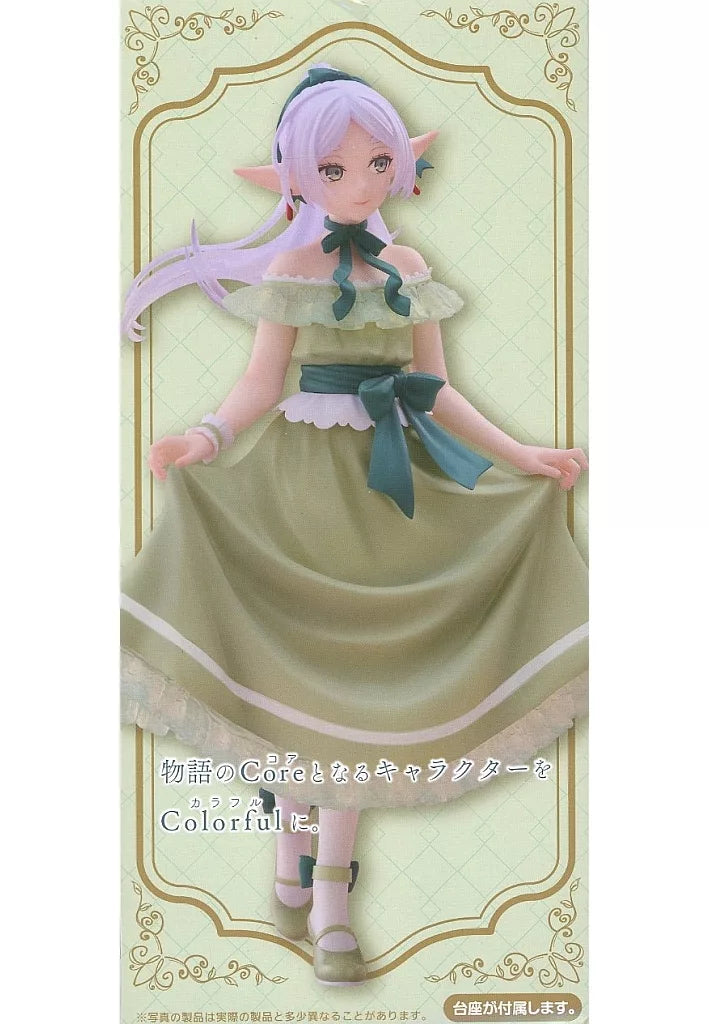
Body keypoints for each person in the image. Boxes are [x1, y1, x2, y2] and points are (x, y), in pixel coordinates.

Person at [121, 66, 588, 986]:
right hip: (297, 488)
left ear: (401, 164)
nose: (361, 182)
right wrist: (203, 438)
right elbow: (259, 385)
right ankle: (292, 847)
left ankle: (329, 885)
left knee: (362, 689)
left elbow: (436, 388)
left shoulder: (407, 270)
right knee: (299, 669)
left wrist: (523, 455)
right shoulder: (291, 271)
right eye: (333, 168)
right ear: (296, 176)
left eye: (378, 161)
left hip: (390, 490)